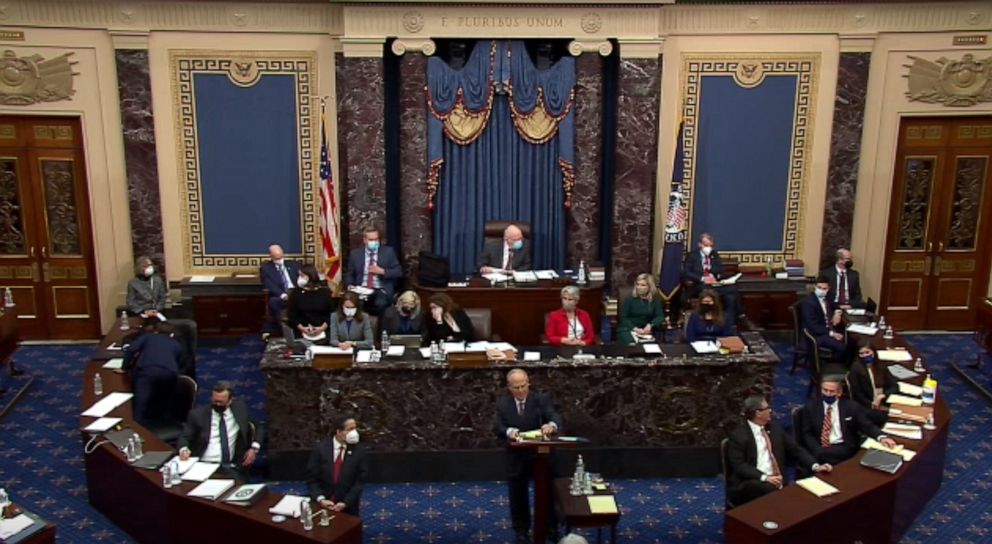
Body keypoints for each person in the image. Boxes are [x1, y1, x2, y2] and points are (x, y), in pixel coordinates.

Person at [494, 369, 562, 544]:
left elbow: (554, 416)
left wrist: (551, 425)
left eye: (524, 386)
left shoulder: (540, 400)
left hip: (540, 456)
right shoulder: (503, 404)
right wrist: (509, 431)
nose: (521, 390)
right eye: (516, 387)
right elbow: (498, 426)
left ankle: (551, 527)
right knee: (518, 494)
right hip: (517, 455)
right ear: (509, 388)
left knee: (547, 492)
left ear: (528, 383)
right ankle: (521, 530)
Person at [726, 395, 831, 507]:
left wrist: (815, 466)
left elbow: (795, 449)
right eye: (767, 408)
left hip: (777, 480)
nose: (770, 410)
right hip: (750, 481)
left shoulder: (775, 429)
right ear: (758, 413)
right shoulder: (738, 436)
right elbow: (740, 466)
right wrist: (765, 477)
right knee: (774, 492)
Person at [125, 255, 198, 379]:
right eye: (145, 266)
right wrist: (144, 310)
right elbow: (130, 303)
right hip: (143, 315)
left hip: (158, 313)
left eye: (150, 265)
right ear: (139, 268)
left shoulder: (157, 280)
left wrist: (156, 309)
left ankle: (187, 359)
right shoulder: (133, 283)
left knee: (186, 327)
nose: (149, 268)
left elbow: (162, 298)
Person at [799, 376, 896, 465]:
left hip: (844, 446)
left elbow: (866, 425)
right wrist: (816, 449)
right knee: (821, 456)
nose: (828, 394)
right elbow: (806, 433)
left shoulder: (851, 407)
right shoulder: (811, 407)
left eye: (832, 391)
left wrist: (881, 437)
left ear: (839, 392)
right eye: (825, 390)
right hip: (820, 447)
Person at [178, 381, 263, 475]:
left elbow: (258, 427)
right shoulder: (197, 415)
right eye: (215, 401)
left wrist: (254, 449)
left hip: (230, 467)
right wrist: (183, 449)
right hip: (203, 465)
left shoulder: (240, 409)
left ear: (230, 400)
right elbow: (184, 436)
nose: (217, 404)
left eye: (221, 402)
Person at [306, 414, 370, 516]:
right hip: (321, 503)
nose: (354, 433)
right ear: (338, 432)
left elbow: (360, 482)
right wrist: (321, 499)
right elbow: (311, 479)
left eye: (355, 428)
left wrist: (345, 502)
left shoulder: (359, 451)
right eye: (350, 429)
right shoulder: (320, 449)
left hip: (347, 506)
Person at [681, 233, 747, 328]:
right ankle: (742, 316)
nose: (709, 248)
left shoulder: (714, 255)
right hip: (698, 285)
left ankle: (730, 325)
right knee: (733, 291)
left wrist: (715, 276)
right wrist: (703, 278)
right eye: (706, 245)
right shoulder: (692, 256)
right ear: (700, 244)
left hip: (713, 284)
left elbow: (720, 270)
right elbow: (686, 272)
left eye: (711, 246)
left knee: (731, 298)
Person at [123, 320, 181, 426]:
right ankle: (163, 429)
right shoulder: (177, 344)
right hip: (170, 374)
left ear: (156, 331)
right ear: (172, 335)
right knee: (165, 404)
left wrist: (124, 367)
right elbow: (180, 363)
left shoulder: (148, 337)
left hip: (147, 372)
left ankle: (138, 431)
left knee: (140, 406)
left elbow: (131, 349)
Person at [345, 227, 403, 316]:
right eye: (371, 240)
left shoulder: (388, 252)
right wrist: (350, 285)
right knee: (354, 304)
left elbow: (398, 272)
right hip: (361, 289)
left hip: (380, 289)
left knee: (381, 304)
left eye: (376, 239)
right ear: (365, 240)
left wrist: (383, 271)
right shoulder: (355, 254)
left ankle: (379, 329)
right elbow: (349, 274)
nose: (374, 242)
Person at [800, 276, 856, 364]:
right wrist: (832, 334)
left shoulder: (827, 297)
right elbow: (813, 326)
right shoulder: (809, 302)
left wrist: (837, 313)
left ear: (828, 289)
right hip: (815, 335)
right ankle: (833, 365)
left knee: (852, 341)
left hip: (827, 328)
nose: (821, 290)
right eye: (819, 288)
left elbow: (835, 306)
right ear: (815, 287)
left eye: (824, 288)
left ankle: (847, 366)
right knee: (842, 347)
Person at [847, 345, 896, 426]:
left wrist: (882, 396)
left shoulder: (881, 366)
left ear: (873, 352)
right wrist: (872, 404)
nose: (865, 355)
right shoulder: (855, 370)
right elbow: (857, 394)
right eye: (861, 353)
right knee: (888, 417)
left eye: (867, 352)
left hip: (883, 402)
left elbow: (894, 386)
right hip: (866, 405)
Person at [260, 244, 302, 334]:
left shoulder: (294, 265)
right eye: (276, 258)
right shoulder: (266, 268)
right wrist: (282, 295)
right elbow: (269, 284)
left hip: (297, 293)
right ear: (270, 256)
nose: (279, 260)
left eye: (280, 257)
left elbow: (303, 279)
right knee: (273, 301)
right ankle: (284, 330)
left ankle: (302, 327)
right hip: (282, 295)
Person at [287, 264, 334, 344]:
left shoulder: (325, 293)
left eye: (302, 275)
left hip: (322, 330)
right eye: (299, 275)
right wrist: (302, 328)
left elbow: (331, 314)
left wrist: (322, 328)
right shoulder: (295, 293)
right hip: (301, 331)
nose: (299, 278)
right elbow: (292, 316)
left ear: (311, 276)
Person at [616, 273, 664, 345]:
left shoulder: (655, 300)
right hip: (627, 329)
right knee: (632, 346)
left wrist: (650, 325)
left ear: (650, 287)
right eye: (637, 284)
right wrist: (634, 328)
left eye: (643, 285)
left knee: (648, 349)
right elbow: (623, 318)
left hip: (644, 331)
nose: (639, 287)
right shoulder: (630, 298)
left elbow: (660, 316)